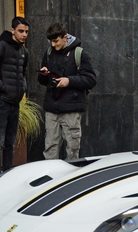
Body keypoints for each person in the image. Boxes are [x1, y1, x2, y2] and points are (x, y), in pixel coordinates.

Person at [38, 22, 97, 160]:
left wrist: (68, 81)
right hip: (51, 108)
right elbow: (42, 82)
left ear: (65, 37)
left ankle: (71, 178)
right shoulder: (48, 53)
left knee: (72, 150)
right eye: (51, 41)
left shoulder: (79, 54)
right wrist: (43, 75)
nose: (53, 45)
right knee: (50, 148)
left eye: (56, 41)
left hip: (71, 109)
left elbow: (91, 80)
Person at [0, 17, 30, 177]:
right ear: (13, 31)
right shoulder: (1, 47)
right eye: (21, 31)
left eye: (26, 32)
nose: (24, 35)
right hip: (0, 102)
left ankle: (7, 176)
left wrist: (22, 88)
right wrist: (4, 88)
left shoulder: (24, 52)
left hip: (14, 103)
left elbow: (23, 73)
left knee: (10, 142)